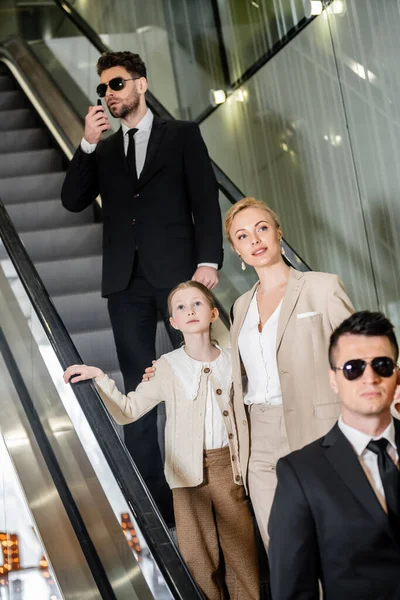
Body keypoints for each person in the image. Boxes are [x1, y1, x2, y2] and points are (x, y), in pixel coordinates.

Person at [61, 51, 223, 526]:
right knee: (137, 387)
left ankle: (216, 480)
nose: (109, 95)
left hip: (180, 279)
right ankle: (161, 505)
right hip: (124, 282)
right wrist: (88, 144)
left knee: (199, 377)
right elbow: (72, 200)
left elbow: (205, 202)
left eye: (116, 84)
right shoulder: (105, 149)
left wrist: (207, 262)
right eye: (103, 89)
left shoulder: (182, 135)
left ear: (140, 84)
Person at [63, 281, 259, 600]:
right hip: (185, 477)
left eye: (197, 303)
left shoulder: (233, 361)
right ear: (173, 323)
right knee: (197, 557)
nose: (189, 310)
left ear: (212, 313)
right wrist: (101, 379)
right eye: (180, 307)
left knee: (241, 554)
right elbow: (128, 411)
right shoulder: (167, 367)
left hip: (230, 470)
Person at [225, 197, 354, 547]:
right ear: (237, 251)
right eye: (242, 236)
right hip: (259, 439)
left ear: (278, 233)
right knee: (283, 550)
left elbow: (359, 354)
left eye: (261, 228)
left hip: (317, 429)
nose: (254, 239)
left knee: (331, 543)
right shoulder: (240, 307)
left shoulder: (322, 288)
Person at [268, 311, 400, 600]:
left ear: (396, 373)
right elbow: (292, 591)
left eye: (382, 365)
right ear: (333, 379)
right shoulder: (300, 473)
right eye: (354, 368)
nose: (370, 378)